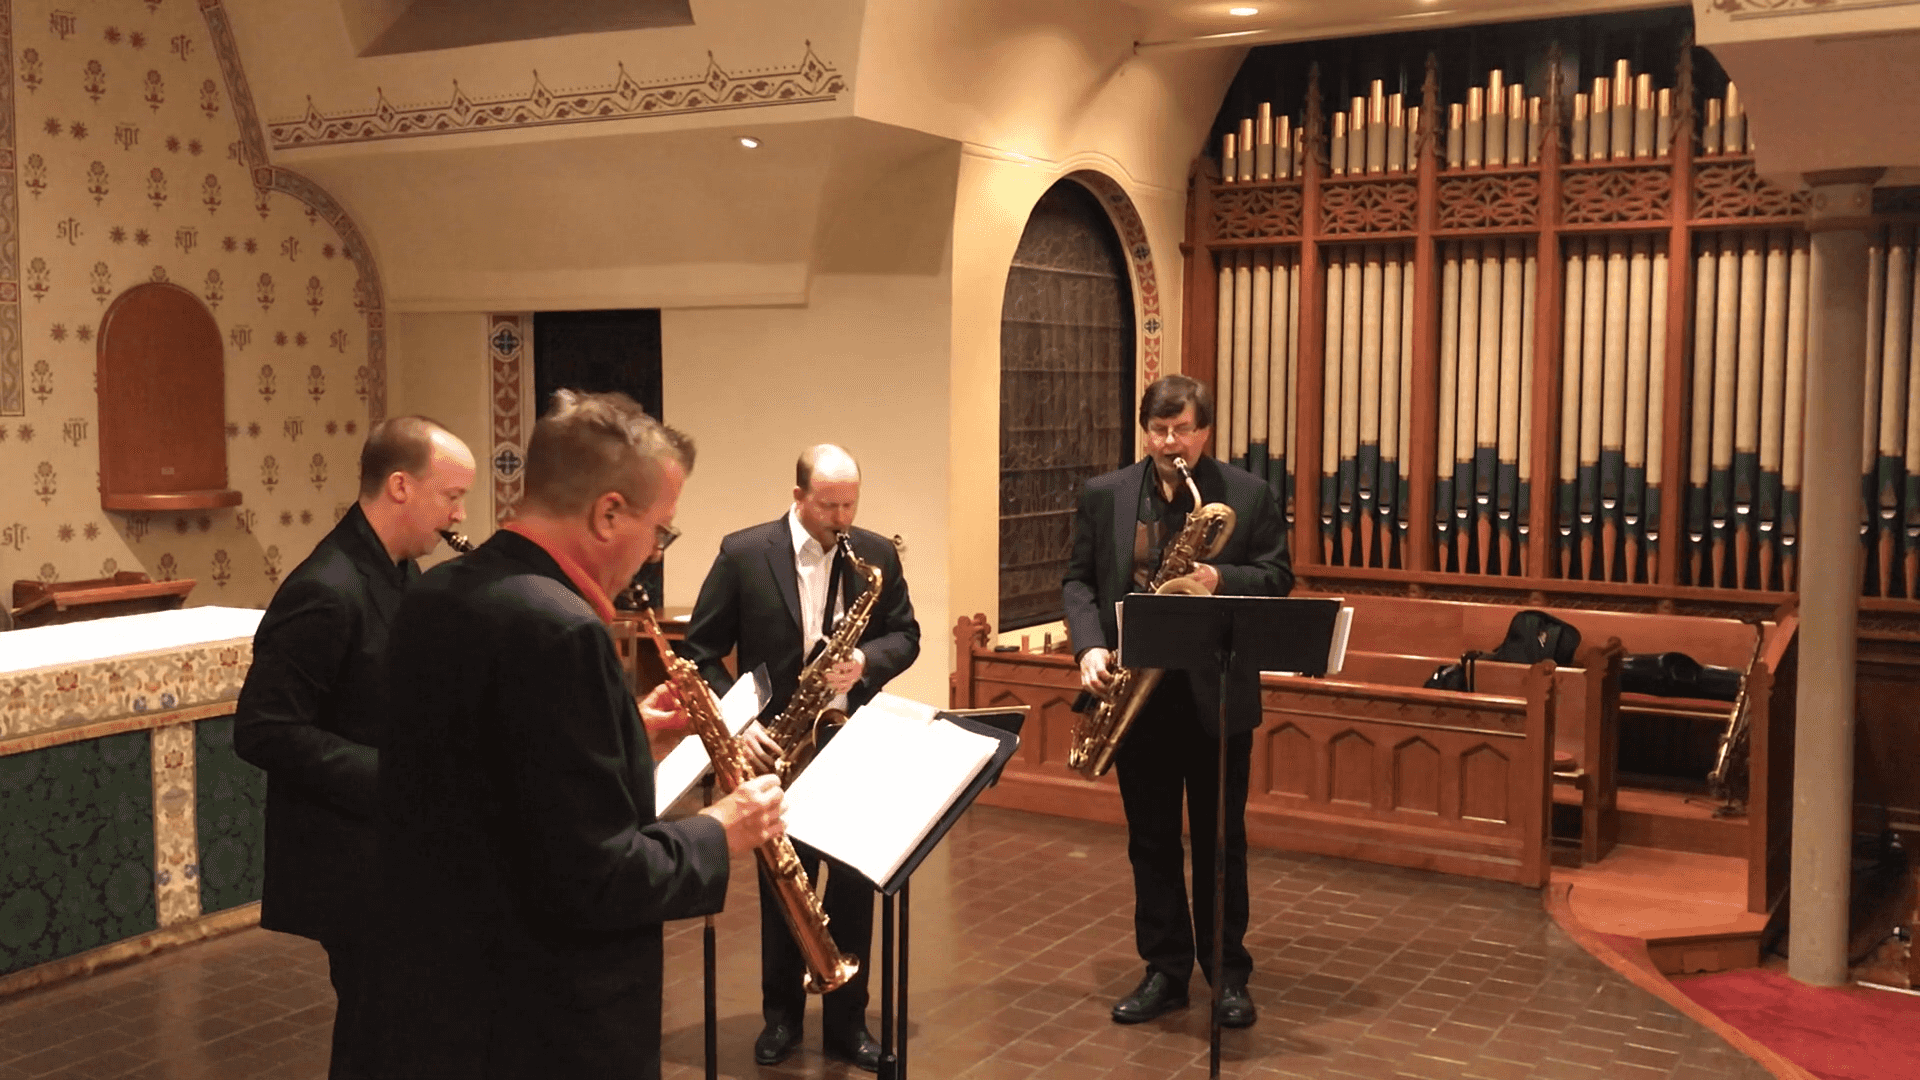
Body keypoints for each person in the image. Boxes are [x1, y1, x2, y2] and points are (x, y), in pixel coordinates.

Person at [375, 390, 785, 1079]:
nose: (657, 553)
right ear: (608, 513)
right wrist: (722, 828)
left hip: (437, 996)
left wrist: (628, 731)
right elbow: (596, 878)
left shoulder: (434, 595)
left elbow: (499, 779)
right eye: (663, 531)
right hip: (541, 1021)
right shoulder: (562, 631)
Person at [234, 416, 476, 1080]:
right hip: (352, 860)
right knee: (380, 1038)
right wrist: (399, 777)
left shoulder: (399, 572)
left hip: (395, 847)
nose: (459, 515)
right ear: (400, 486)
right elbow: (262, 728)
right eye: (451, 497)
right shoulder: (327, 587)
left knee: (405, 1030)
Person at [678, 444, 921, 1072]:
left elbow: (907, 635)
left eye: (850, 504)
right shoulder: (744, 553)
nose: (842, 518)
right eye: (828, 505)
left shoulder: (875, 553)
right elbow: (702, 650)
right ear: (797, 497)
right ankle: (780, 1017)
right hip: (777, 744)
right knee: (782, 883)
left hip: (850, 737)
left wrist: (865, 661)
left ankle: (847, 1023)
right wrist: (742, 720)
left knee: (854, 885)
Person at [1061, 374, 1291, 1030]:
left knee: (1222, 842)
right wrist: (1089, 649)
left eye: (1183, 430)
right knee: (1152, 842)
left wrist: (1220, 577)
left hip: (1214, 694)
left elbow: (1278, 576)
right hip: (1136, 695)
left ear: (1205, 430)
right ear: (1145, 430)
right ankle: (1165, 970)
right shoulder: (1105, 495)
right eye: (1160, 431)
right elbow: (1078, 580)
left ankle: (1227, 975)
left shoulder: (1248, 495)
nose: (1171, 443)